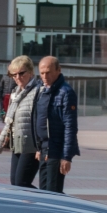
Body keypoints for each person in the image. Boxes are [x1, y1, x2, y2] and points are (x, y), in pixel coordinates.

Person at [30, 55, 79, 193]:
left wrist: (66, 156)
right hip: (44, 150)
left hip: (56, 150)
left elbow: (70, 126)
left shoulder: (66, 92)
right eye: (42, 72)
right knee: (44, 191)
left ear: (58, 70)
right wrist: (39, 147)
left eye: (48, 72)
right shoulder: (40, 89)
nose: (44, 76)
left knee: (53, 192)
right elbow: (37, 118)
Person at [0, 55, 40, 187]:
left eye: (21, 73)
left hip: (32, 146)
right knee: (16, 184)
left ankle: (46, 201)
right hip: (17, 144)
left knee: (21, 183)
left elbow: (42, 122)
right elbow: (9, 123)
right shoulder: (16, 93)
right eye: (14, 75)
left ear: (31, 72)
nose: (17, 77)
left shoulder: (38, 92)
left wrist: (41, 147)